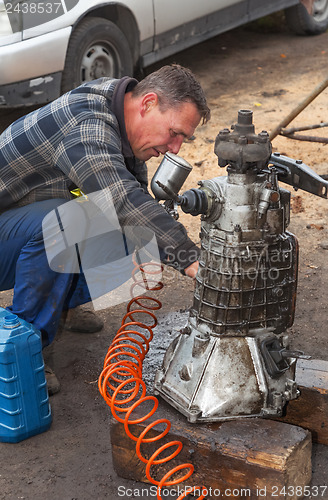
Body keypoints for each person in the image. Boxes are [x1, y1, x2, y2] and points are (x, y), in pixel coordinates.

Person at [0, 64, 210, 394]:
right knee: (67, 222)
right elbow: (121, 198)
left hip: (18, 228)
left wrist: (165, 239)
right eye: (174, 133)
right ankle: (25, 345)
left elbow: (133, 207)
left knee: (138, 239)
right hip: (6, 232)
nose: (175, 148)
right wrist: (190, 258)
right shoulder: (87, 123)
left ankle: (62, 305)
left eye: (183, 138)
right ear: (148, 103)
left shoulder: (121, 116)